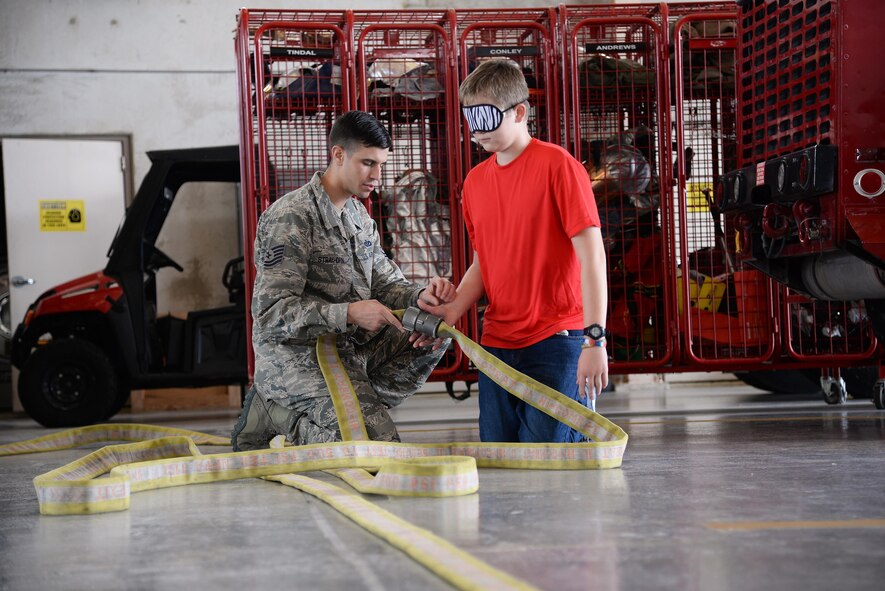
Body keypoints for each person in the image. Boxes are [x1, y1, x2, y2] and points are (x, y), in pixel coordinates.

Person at [232, 110, 456, 450]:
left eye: (381, 164)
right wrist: (348, 313)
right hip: (297, 359)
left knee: (435, 332)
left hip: (349, 351)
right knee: (373, 447)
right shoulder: (291, 217)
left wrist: (422, 295)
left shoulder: (357, 215)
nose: (377, 176)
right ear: (338, 155)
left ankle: (354, 405)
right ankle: (279, 412)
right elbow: (270, 314)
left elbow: (385, 284)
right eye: (368, 163)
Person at [419, 59, 609, 443]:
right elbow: (484, 262)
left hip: (558, 340)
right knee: (501, 458)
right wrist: (454, 309)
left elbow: (593, 258)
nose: (477, 131)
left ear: (520, 111)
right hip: (498, 344)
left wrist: (594, 340)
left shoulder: (559, 167)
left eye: (486, 117)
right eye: (470, 118)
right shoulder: (475, 183)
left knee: (553, 459)